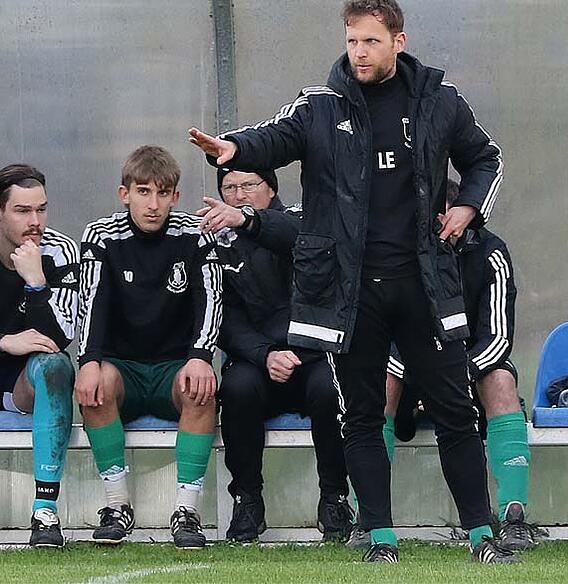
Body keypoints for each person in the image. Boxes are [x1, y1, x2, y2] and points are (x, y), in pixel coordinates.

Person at [190, 0, 516, 563]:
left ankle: (482, 534)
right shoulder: (320, 104)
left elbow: (487, 158)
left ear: (398, 41)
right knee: (361, 414)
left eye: (370, 40)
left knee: (456, 411)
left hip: (424, 283)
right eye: (351, 41)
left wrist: (468, 207)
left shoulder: (440, 100)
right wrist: (234, 147)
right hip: (348, 290)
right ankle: (380, 537)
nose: (359, 52)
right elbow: (276, 137)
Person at [346, 179, 537, 550]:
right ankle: (367, 520)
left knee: (500, 380)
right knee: (379, 380)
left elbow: (496, 337)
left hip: (463, 371)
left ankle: (513, 516)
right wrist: (419, 373)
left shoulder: (490, 253)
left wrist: (451, 377)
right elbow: (378, 331)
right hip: (407, 370)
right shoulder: (389, 254)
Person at [75, 145, 222, 549]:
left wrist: (200, 356)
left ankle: (187, 512)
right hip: (123, 368)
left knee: (202, 388)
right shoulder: (101, 235)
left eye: (162, 193)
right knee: (94, 386)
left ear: (175, 197)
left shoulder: (194, 234)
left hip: (175, 367)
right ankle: (117, 507)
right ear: (125, 194)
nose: (152, 204)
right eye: (143, 192)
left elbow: (211, 297)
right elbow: (91, 301)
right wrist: (88, 360)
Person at [197, 168, 353, 542]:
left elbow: (301, 249)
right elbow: (224, 316)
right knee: (237, 389)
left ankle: (334, 497)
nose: (238, 195)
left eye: (248, 186)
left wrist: (250, 222)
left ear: (271, 188)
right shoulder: (216, 243)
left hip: (313, 356)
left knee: (331, 392)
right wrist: (265, 354)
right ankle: (248, 500)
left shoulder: (304, 221)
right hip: (256, 359)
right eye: (229, 188)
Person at [0, 164, 78, 548]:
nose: (35, 221)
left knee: (55, 367)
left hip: (23, 383)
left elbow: (60, 338)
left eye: (41, 209)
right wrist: (3, 341)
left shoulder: (59, 250)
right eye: (22, 211)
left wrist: (35, 284)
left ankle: (44, 512)